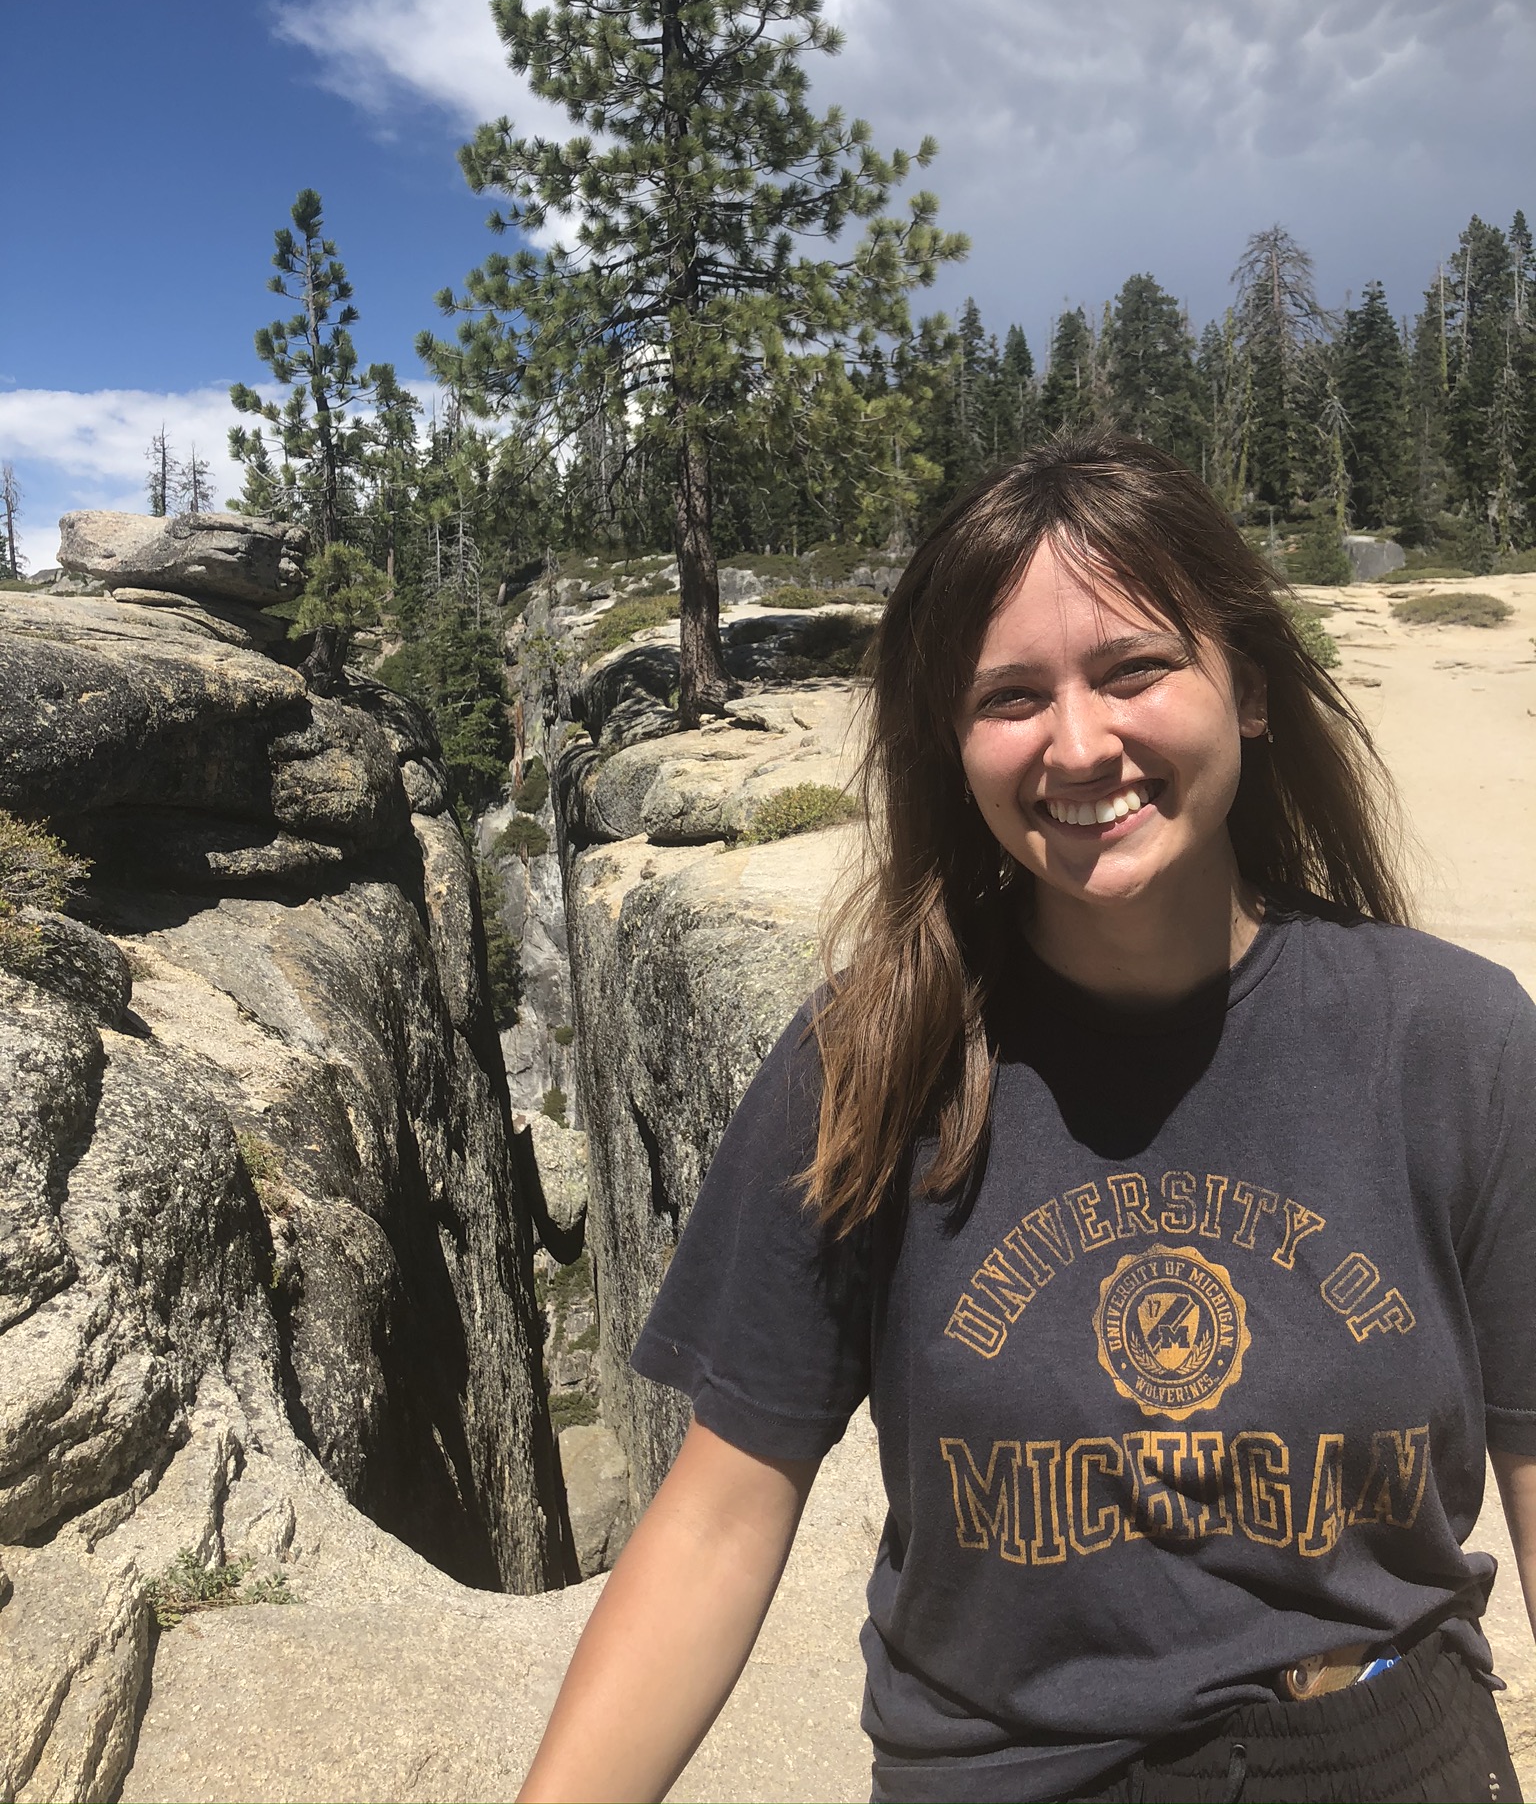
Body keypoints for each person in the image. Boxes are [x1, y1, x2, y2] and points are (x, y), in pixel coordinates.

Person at [519, 433, 1536, 1804]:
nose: (1078, 744)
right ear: (954, 743)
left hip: (1391, 1759)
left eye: (1134, 669)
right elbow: (716, 1520)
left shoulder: (1454, 1044)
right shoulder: (871, 1063)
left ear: (1246, 689)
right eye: (1011, 696)